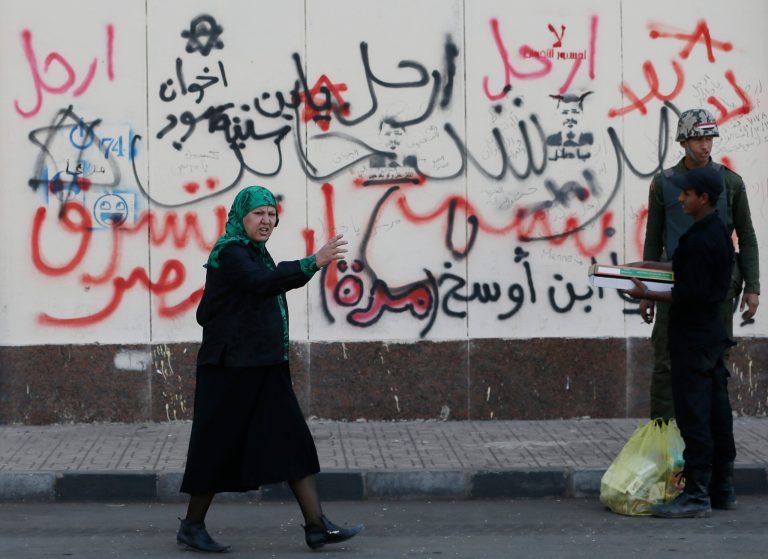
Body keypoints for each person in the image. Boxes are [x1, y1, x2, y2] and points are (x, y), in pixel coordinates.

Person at [177, 185, 363, 552]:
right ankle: (192, 526)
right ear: (240, 216)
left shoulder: (254, 252)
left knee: (293, 440)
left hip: (264, 367)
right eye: (258, 213)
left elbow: (262, 286)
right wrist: (314, 261)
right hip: (230, 370)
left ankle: (315, 525)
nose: (266, 220)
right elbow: (261, 284)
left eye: (271, 214)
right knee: (216, 448)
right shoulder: (230, 252)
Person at [625, 166, 736, 518]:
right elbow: (686, 274)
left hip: (693, 340)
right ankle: (721, 489)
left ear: (703, 198)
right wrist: (649, 268)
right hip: (709, 339)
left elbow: (692, 293)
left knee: (694, 416)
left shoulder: (704, 238)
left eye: (687, 194)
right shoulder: (713, 232)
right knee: (717, 413)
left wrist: (651, 293)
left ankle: (697, 495)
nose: (680, 198)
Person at [641, 108, 760, 421]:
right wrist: (646, 291)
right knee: (667, 364)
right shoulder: (664, 184)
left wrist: (753, 287)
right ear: (683, 142)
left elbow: (746, 236)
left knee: (713, 362)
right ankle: (664, 439)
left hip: (715, 290)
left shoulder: (730, 183)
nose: (705, 145)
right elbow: (654, 240)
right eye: (697, 138)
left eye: (709, 137)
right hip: (672, 287)